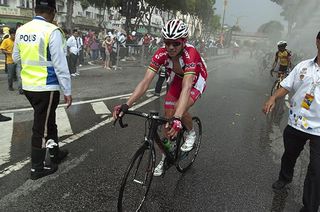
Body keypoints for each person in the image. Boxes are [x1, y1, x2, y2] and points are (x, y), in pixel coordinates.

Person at [113, 19, 208, 176]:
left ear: (184, 42)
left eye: (175, 43)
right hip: (177, 77)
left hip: (196, 78)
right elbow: (145, 82)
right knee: (167, 117)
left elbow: (186, 88)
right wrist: (127, 105)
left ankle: (190, 133)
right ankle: (166, 156)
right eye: (167, 42)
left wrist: (178, 117)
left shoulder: (190, 54)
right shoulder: (161, 54)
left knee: (180, 109)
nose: (170, 47)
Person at [13, 0, 72, 180]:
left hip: (29, 86)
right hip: (47, 87)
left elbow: (16, 57)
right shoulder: (52, 31)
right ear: (53, 12)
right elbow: (60, 65)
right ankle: (36, 169)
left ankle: (54, 153)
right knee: (41, 127)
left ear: (35, 9)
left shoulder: (22, 30)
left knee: (49, 120)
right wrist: (67, 90)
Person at [263, 31, 320, 212]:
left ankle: (310, 206)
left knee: (316, 170)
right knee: (289, 155)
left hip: (319, 129)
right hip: (297, 123)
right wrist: (273, 98)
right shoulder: (303, 66)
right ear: (318, 41)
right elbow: (286, 86)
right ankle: (285, 178)